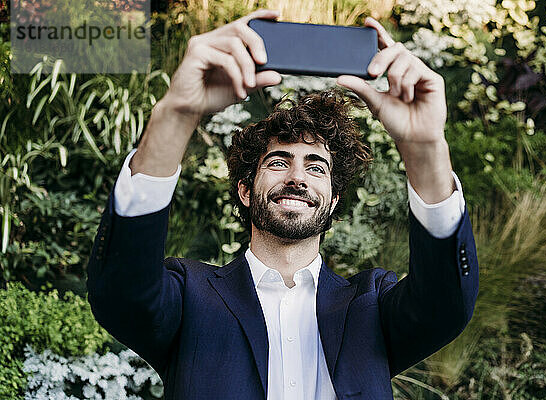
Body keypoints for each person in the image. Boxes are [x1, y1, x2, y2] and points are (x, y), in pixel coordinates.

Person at [86, 9, 479, 400]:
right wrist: (176, 113)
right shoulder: (189, 296)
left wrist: (425, 147)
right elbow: (121, 291)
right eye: (278, 162)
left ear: (333, 200)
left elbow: (445, 304)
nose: (298, 177)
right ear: (245, 190)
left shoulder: (371, 306)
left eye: (316, 167)